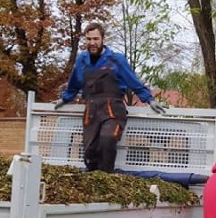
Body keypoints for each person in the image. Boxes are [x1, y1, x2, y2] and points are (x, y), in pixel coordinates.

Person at [55, 22, 166, 172]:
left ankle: (106, 178)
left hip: (113, 109)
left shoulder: (116, 59)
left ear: (102, 39)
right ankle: (93, 180)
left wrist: (149, 99)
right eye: (88, 39)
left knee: (107, 140)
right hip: (91, 109)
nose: (92, 43)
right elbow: (74, 83)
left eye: (95, 39)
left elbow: (132, 80)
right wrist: (65, 98)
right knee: (90, 150)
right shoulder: (82, 60)